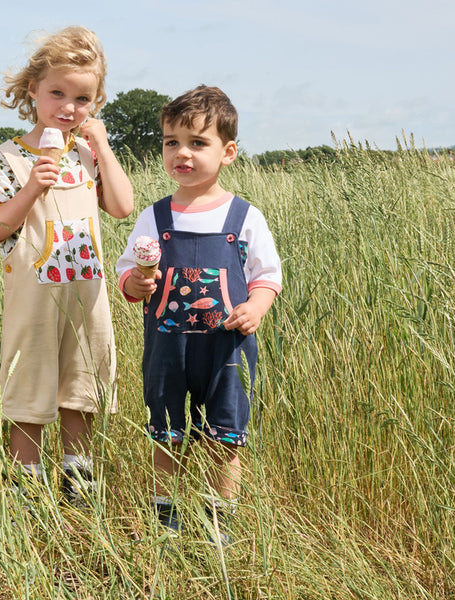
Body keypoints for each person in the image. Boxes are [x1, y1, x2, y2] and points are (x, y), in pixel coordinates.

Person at [0, 26, 133, 507]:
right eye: (57, 93)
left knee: (80, 391)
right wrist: (32, 188)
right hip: (34, 300)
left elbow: (122, 207)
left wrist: (102, 148)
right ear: (33, 91)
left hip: (86, 299)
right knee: (29, 393)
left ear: (96, 102)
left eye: (82, 98)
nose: (68, 106)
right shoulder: (9, 157)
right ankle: (26, 496)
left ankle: (78, 489)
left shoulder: (88, 155)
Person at [116, 86, 281, 540]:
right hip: (167, 346)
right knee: (166, 431)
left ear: (228, 152)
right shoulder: (155, 217)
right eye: (171, 142)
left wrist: (256, 307)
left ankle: (216, 522)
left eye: (197, 143)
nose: (181, 153)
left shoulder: (245, 217)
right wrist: (135, 283)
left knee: (224, 436)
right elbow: (129, 270)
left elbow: (267, 274)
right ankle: (165, 518)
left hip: (227, 347)